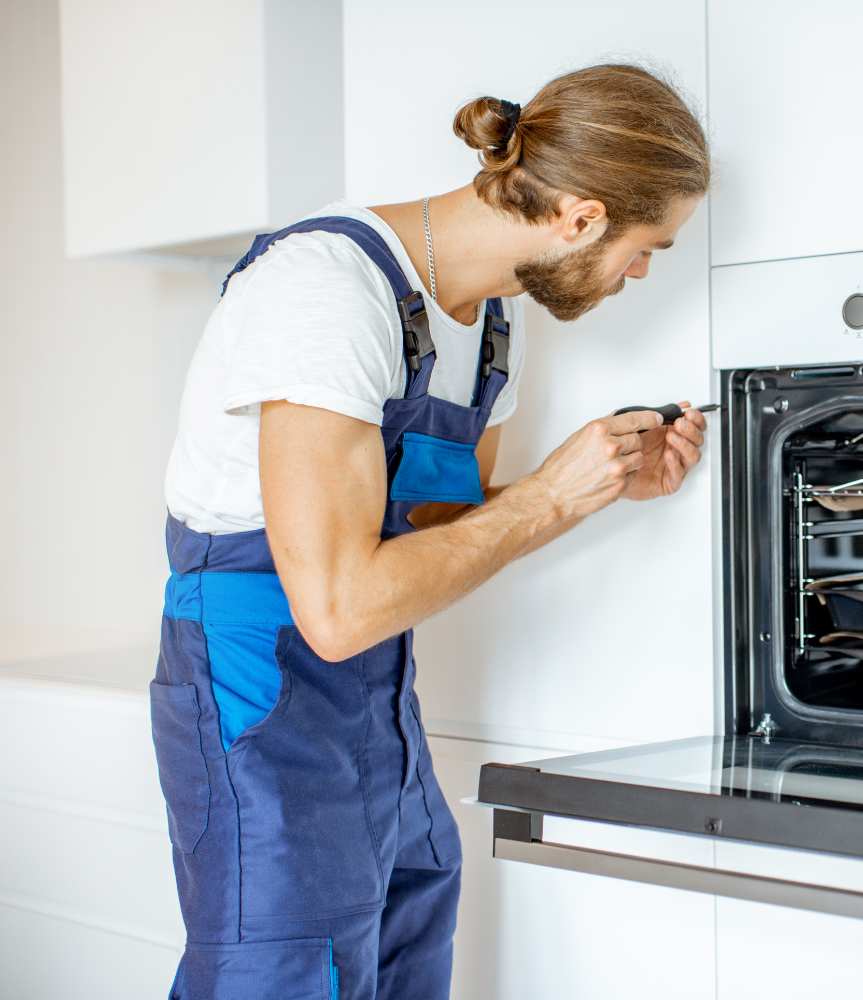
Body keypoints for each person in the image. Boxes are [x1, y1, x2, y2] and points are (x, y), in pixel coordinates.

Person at [151, 64, 710, 999]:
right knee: (291, 972)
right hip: (258, 694)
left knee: (411, 945)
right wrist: (549, 499)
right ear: (580, 216)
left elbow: (443, 533)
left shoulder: (496, 326)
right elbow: (334, 607)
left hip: (376, 703)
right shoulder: (327, 294)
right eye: (646, 246)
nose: (640, 273)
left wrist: (602, 484)